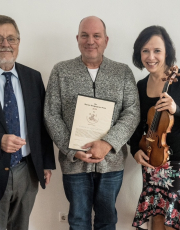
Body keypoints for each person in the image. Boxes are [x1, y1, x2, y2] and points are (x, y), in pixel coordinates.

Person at [44, 16, 140, 230]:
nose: (90, 41)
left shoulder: (123, 72)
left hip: (111, 163)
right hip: (74, 164)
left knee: (107, 220)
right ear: (77, 38)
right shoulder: (61, 71)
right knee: (78, 221)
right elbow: (51, 114)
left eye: (96, 36)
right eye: (85, 35)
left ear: (106, 40)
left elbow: (132, 112)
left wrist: (107, 143)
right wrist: (72, 148)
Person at [0, 15, 55, 230]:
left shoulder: (33, 77)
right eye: (0, 38)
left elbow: (42, 122)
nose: (5, 44)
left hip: (27, 169)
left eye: (11, 39)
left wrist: (46, 163)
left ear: (19, 43)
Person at [130, 26, 180, 230]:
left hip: (177, 163)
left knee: (173, 223)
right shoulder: (140, 86)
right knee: (156, 218)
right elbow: (134, 124)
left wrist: (176, 109)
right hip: (152, 159)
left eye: (157, 50)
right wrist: (135, 150)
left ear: (167, 51)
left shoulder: (178, 81)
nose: (151, 57)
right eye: (145, 50)